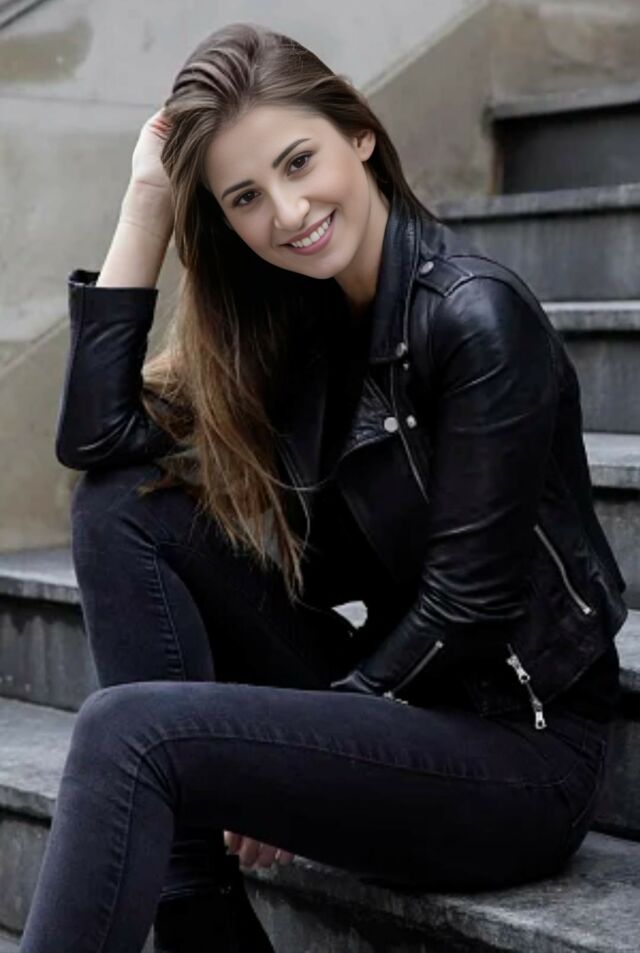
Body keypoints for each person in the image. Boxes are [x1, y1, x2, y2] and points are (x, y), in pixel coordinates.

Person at [20, 21, 628, 953]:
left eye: (299, 161)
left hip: (520, 755)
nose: (289, 211)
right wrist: (147, 199)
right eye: (246, 197)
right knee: (120, 502)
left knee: (126, 731)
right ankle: (204, 910)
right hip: (389, 703)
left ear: (360, 133)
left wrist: (298, 749)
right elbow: (100, 441)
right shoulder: (297, 322)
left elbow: (468, 604)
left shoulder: (475, 317)